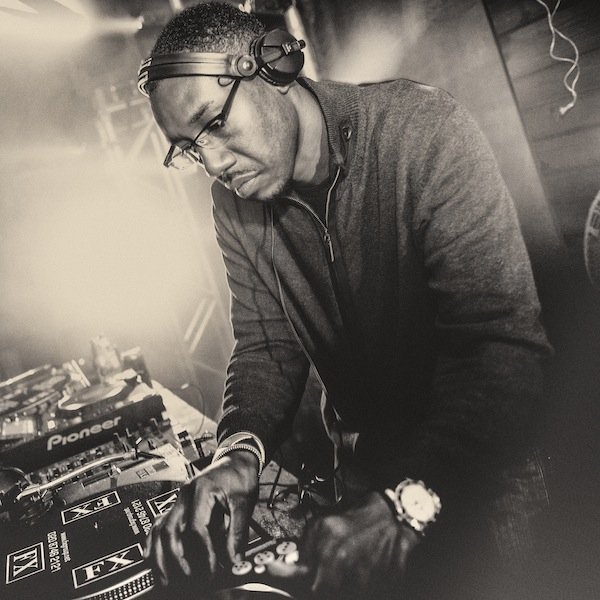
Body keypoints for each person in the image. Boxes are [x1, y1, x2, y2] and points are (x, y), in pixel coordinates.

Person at [139, 3, 551, 598]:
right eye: (188, 149)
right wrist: (237, 453)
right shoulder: (233, 205)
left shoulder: (422, 131)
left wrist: (409, 503)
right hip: (367, 470)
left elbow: (502, 347)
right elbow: (266, 344)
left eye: (216, 124)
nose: (214, 163)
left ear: (276, 66)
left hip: (480, 469)